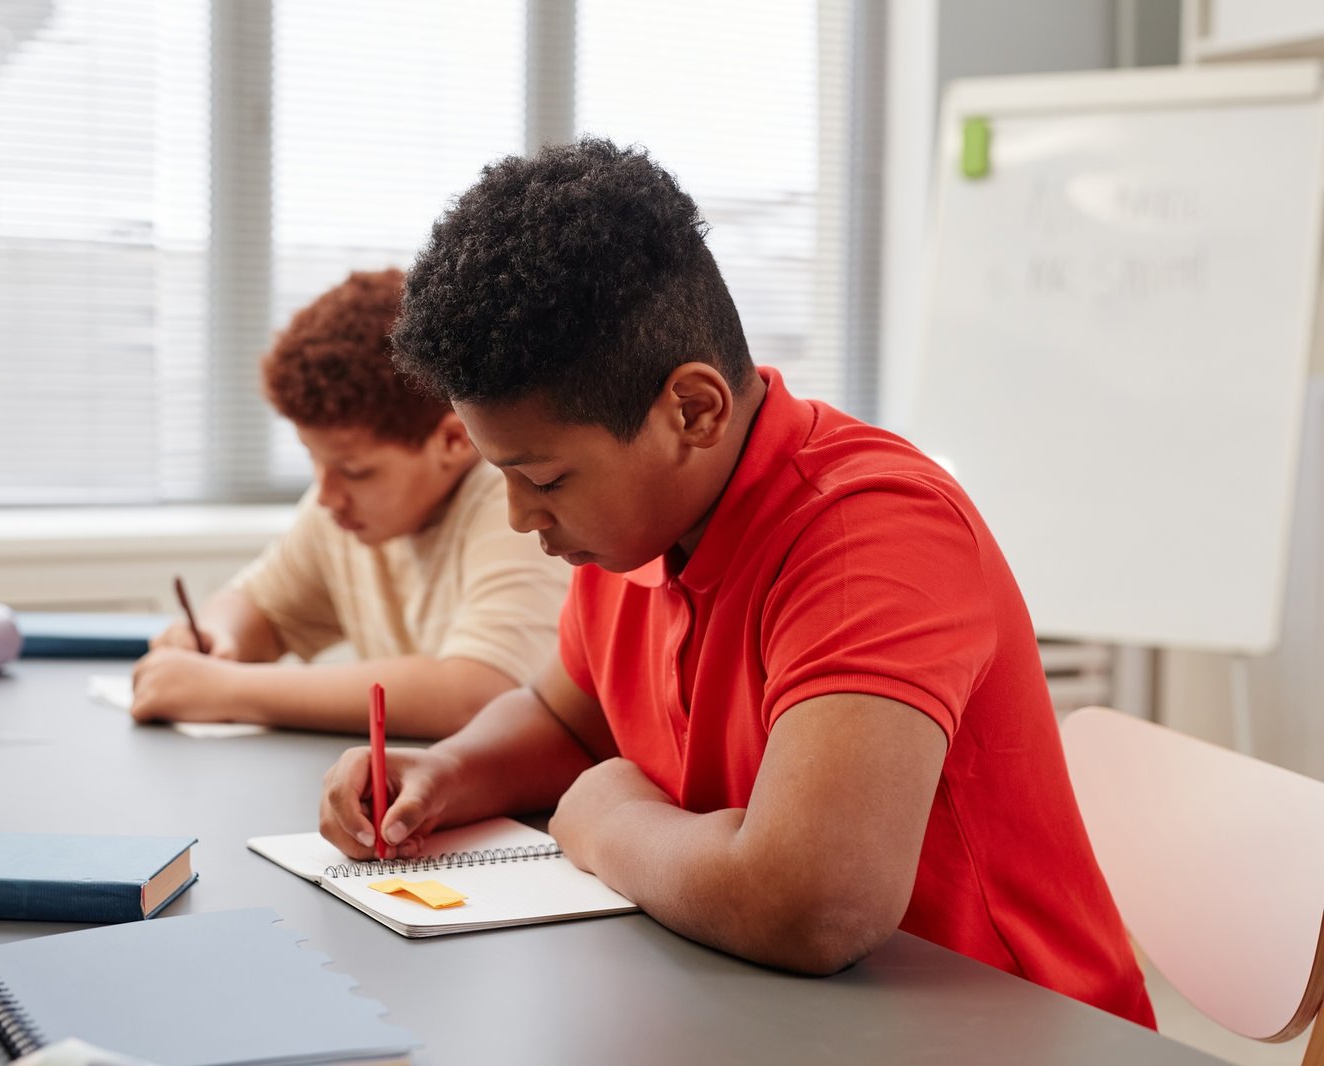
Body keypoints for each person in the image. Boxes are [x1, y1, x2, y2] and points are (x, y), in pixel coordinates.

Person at [317, 140, 1155, 1025]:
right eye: (506, 477)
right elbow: (572, 717)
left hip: (999, 1032)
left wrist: (609, 822)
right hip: (783, 1012)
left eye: (546, 479)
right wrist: (448, 772)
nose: (523, 516)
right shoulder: (634, 524)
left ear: (693, 410)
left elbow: (814, 904)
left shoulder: (872, 534)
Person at [133, 268, 569, 738]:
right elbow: (261, 610)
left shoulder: (514, 505)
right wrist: (218, 637)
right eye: (313, 461)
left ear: (453, 439)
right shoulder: (342, 513)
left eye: (356, 471)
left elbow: (479, 692)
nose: (326, 495)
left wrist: (226, 690)